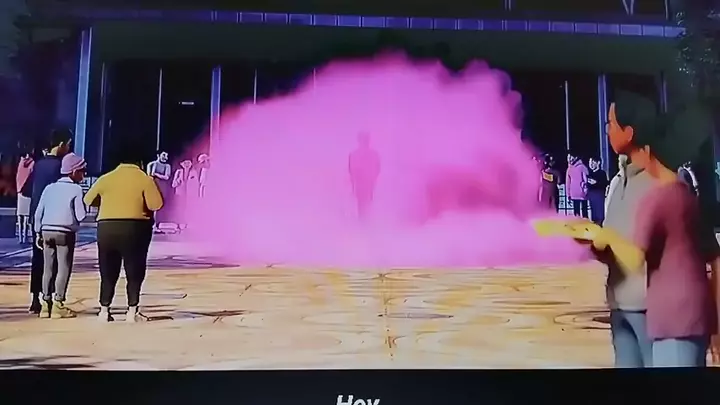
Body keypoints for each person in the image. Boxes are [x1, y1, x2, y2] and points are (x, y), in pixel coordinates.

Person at [568, 93, 719, 367]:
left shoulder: (666, 183)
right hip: (620, 306)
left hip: (656, 313)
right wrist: (592, 240)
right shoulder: (617, 182)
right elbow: (617, 246)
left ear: (629, 132)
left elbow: (700, 248)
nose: (606, 129)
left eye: (611, 123)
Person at [84, 147, 163, 322]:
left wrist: (107, 202)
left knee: (107, 270)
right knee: (134, 269)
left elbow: (88, 199)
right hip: (135, 228)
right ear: (139, 162)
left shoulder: (106, 178)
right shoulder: (145, 179)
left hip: (106, 227)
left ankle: (104, 310)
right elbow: (156, 204)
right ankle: (132, 311)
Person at [22, 129, 73, 314]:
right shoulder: (61, 167)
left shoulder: (38, 165)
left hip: (37, 217)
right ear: (61, 144)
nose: (68, 149)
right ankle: (50, 298)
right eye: (68, 144)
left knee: (38, 259)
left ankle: (35, 299)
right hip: (55, 218)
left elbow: (27, 190)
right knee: (56, 261)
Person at [33, 153, 87, 319]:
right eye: (82, 171)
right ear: (74, 171)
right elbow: (81, 215)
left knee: (47, 268)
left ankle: (45, 304)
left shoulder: (49, 188)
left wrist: (37, 231)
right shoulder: (76, 189)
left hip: (46, 230)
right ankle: (58, 303)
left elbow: (38, 212)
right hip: (64, 232)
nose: (84, 174)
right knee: (63, 268)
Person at [348, 133, 381, 219]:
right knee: (364, 204)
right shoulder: (373, 154)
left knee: (364, 204)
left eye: (365, 140)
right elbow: (351, 170)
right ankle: (365, 221)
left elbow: (377, 168)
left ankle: (365, 221)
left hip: (366, 183)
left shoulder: (354, 154)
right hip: (364, 183)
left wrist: (372, 178)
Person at [147, 151, 172, 231]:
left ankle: (156, 225)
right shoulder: (151, 164)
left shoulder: (167, 166)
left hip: (162, 188)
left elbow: (167, 177)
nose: (165, 157)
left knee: (158, 207)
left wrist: (157, 174)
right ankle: (150, 225)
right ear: (159, 155)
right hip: (152, 187)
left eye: (167, 156)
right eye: (164, 155)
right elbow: (149, 176)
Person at [15, 150, 35, 244]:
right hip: (28, 192)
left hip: (20, 192)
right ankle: (25, 237)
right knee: (26, 217)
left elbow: (18, 177)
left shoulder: (21, 163)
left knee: (20, 216)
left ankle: (20, 237)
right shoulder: (32, 163)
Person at [565, 152, 589, 218]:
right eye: (568, 157)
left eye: (570, 157)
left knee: (583, 212)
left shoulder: (582, 167)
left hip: (582, 193)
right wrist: (568, 194)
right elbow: (568, 183)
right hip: (575, 194)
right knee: (577, 212)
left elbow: (587, 179)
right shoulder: (569, 169)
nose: (569, 159)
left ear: (575, 157)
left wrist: (585, 189)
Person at [587, 157, 609, 225]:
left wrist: (596, 183)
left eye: (593, 162)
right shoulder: (589, 174)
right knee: (594, 214)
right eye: (590, 162)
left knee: (599, 215)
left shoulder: (602, 173)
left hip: (599, 195)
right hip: (592, 196)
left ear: (598, 163)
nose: (591, 164)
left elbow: (604, 184)